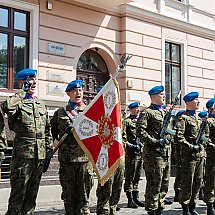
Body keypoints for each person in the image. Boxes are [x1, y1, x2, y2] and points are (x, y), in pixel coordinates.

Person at [2, 68, 53, 214]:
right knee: (18, 195)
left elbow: (47, 129)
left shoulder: (40, 103)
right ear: (22, 82)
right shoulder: (18, 101)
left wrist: (48, 151)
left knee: (32, 196)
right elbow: (7, 107)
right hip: (23, 156)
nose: (34, 82)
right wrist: (21, 92)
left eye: (35, 79)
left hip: (39, 155)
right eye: (30, 79)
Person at [50, 80, 94, 214]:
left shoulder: (90, 111)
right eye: (74, 90)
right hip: (67, 160)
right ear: (69, 93)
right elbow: (51, 133)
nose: (78, 93)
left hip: (85, 160)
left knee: (84, 197)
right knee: (69, 197)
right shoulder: (61, 113)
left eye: (80, 90)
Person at [136, 85, 172, 215]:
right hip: (153, 154)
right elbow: (140, 131)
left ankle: (159, 207)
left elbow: (169, 131)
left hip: (165, 153)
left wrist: (167, 138)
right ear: (154, 96)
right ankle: (152, 209)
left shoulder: (164, 112)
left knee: (164, 183)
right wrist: (155, 141)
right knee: (154, 184)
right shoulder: (147, 113)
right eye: (161, 94)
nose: (164, 96)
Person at [175, 92, 208, 215]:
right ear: (188, 103)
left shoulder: (198, 119)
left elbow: (204, 136)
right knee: (187, 182)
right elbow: (179, 137)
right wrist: (191, 147)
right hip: (188, 157)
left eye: (198, 99)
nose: (198, 101)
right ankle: (185, 207)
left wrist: (202, 145)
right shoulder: (183, 118)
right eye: (195, 99)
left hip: (199, 155)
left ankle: (193, 205)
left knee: (198, 181)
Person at [96, 85, 124, 215]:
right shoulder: (95, 112)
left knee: (117, 188)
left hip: (117, 156)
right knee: (105, 189)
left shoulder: (117, 113)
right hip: (104, 157)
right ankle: (103, 211)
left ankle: (112, 209)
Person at [122, 101, 144, 208]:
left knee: (137, 176)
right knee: (130, 177)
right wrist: (132, 146)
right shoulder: (126, 122)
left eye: (138, 108)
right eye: (135, 108)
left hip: (140, 153)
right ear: (131, 110)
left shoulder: (140, 121)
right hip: (131, 154)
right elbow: (123, 139)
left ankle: (136, 198)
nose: (138, 110)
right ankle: (130, 199)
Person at [204, 98, 215, 215]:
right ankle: (210, 205)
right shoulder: (208, 121)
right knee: (211, 182)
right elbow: (205, 139)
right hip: (212, 156)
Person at [172, 109, 185, 202]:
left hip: (184, 151)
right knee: (180, 171)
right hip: (178, 151)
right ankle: (177, 192)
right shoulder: (177, 124)